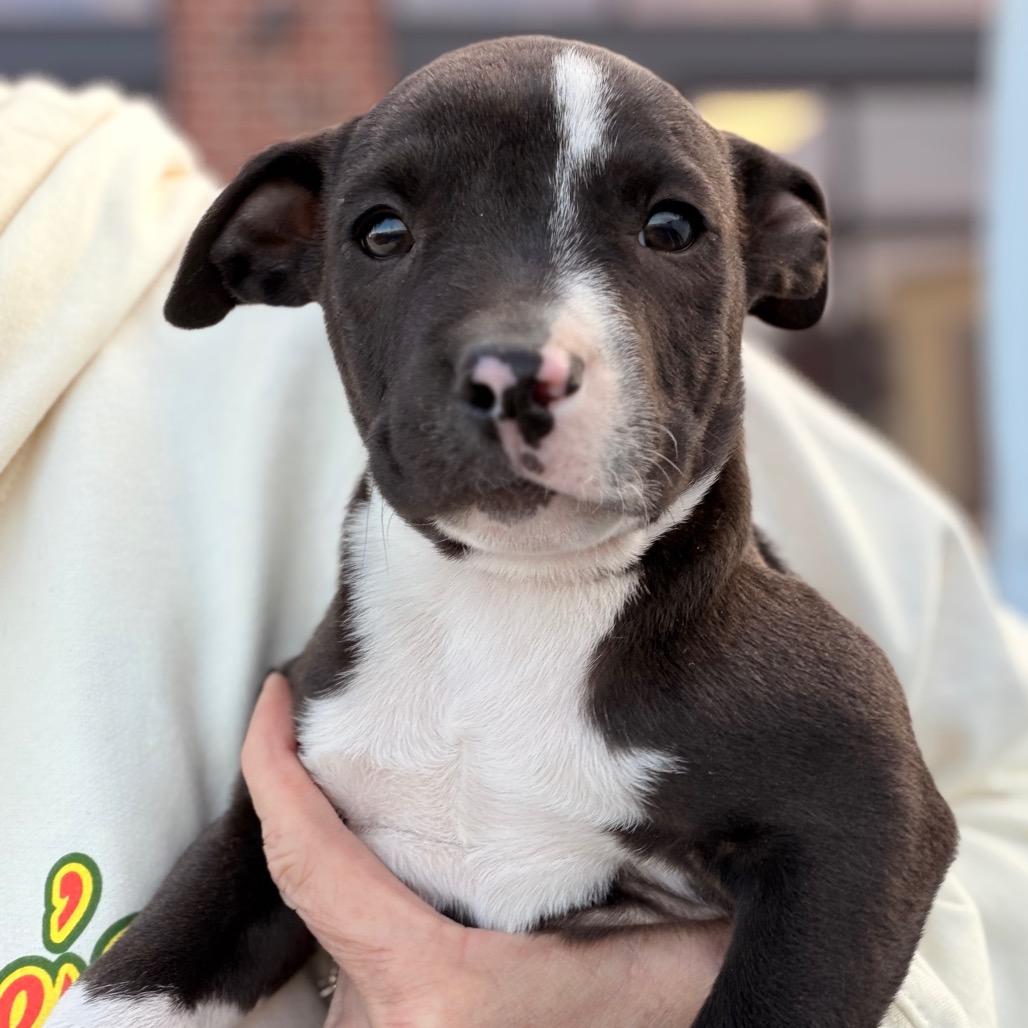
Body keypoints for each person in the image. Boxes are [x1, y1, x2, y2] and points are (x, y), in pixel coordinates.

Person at [1, 76, 1024, 1028]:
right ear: (278, 246)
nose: (520, 360)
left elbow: (928, 807)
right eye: (385, 230)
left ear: (770, 255)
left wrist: (632, 991)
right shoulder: (351, 682)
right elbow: (254, 879)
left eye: (667, 227)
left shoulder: (775, 663)